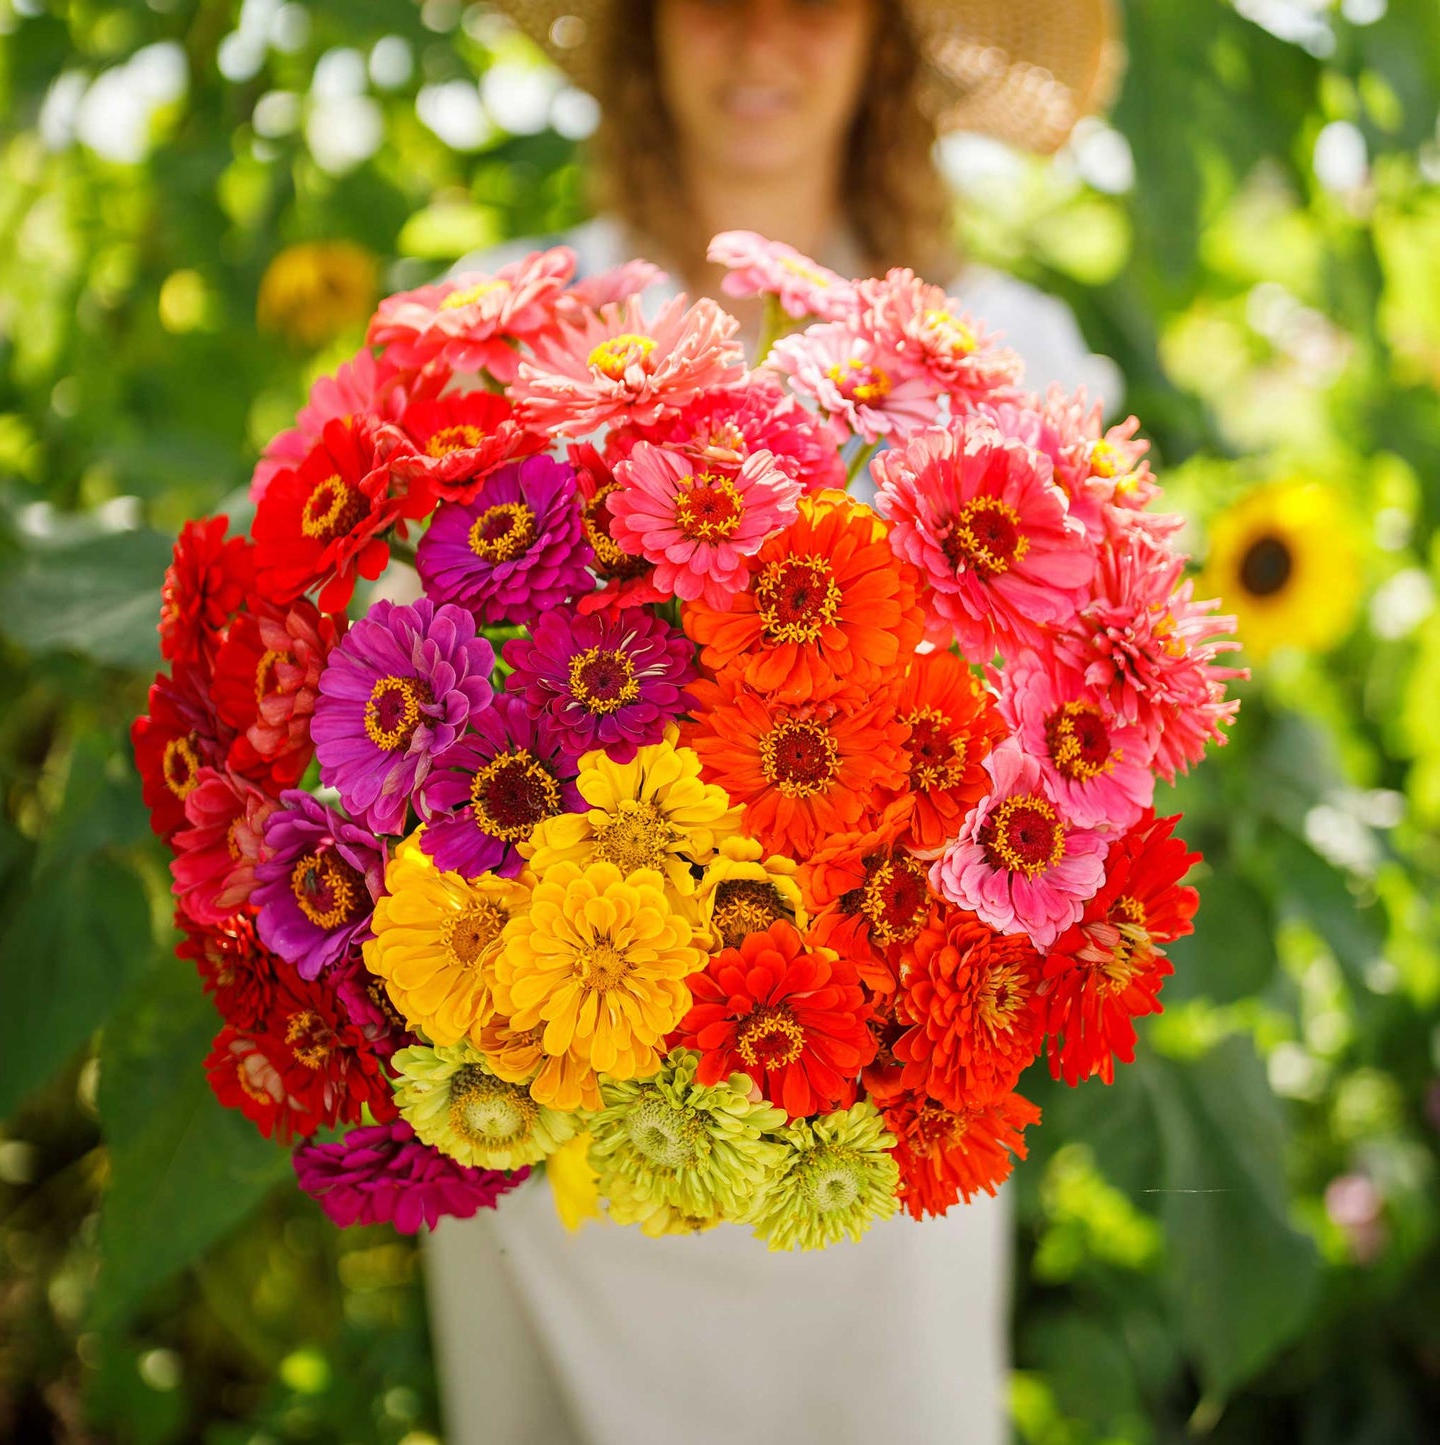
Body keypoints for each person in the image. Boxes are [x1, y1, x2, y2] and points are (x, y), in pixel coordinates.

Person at [421, 2, 1124, 1441]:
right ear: (633, 29)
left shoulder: (1005, 350)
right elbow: (399, 682)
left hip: (861, 1114)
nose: (756, 42)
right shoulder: (503, 322)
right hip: (559, 1086)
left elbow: (1085, 736)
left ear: (885, 39)